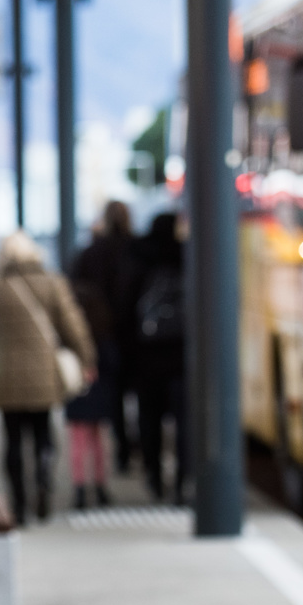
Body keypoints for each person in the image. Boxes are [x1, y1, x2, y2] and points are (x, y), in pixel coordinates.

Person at [0, 231, 95, 525]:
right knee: (43, 432)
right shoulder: (52, 283)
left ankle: (18, 502)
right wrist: (86, 358)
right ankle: (43, 477)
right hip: (44, 372)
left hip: (6, 374)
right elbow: (73, 325)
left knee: (13, 439)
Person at [65, 202, 131, 509]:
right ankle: (104, 479)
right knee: (101, 427)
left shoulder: (87, 257)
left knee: (79, 432)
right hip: (116, 343)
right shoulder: (129, 252)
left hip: (85, 358)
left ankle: (81, 486)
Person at [131, 212, 189, 503]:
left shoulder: (139, 257)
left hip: (147, 356)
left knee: (150, 420)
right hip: (181, 353)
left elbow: (125, 302)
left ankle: (154, 478)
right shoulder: (187, 256)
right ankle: (182, 482)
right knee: (183, 422)